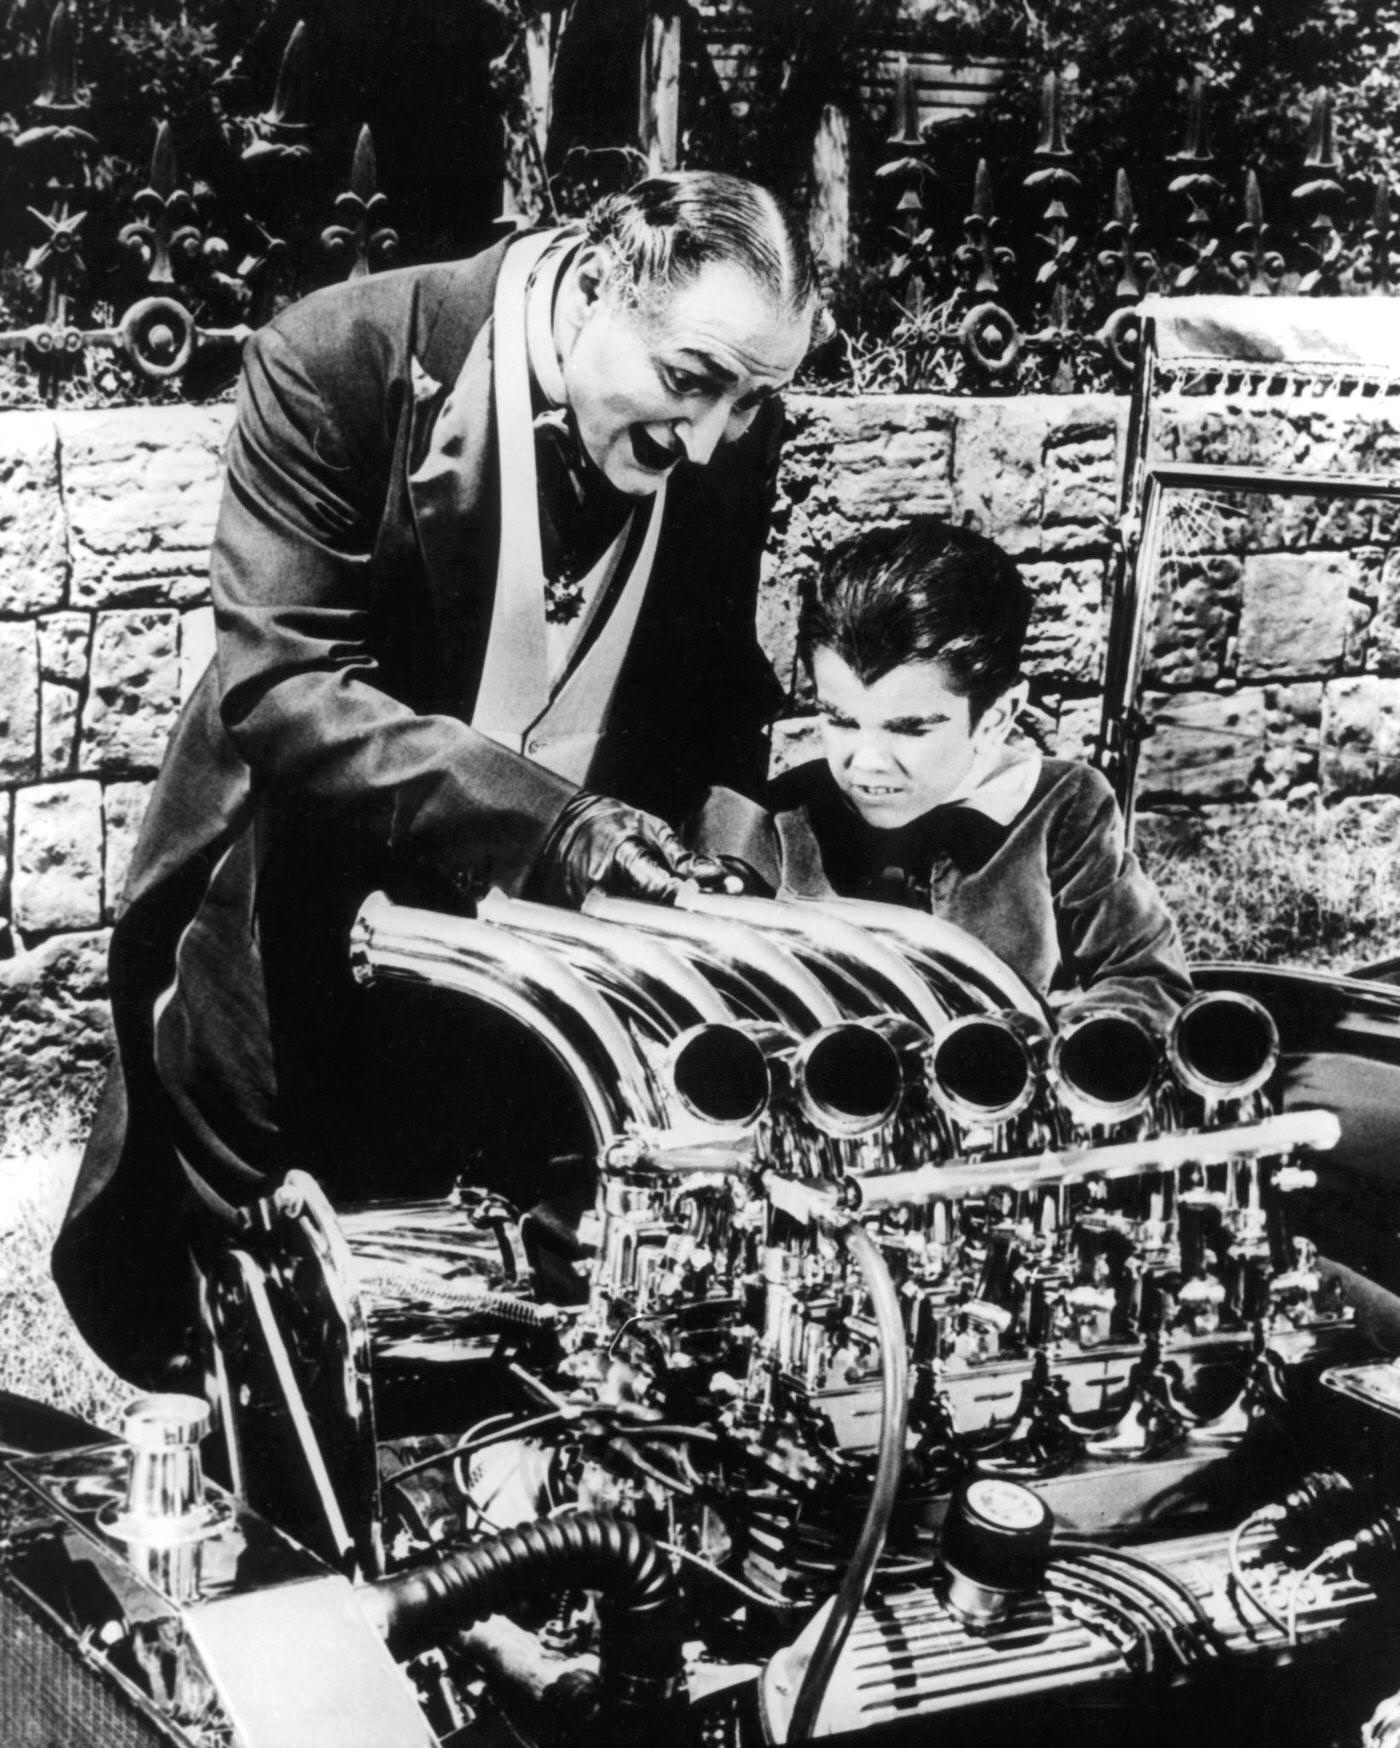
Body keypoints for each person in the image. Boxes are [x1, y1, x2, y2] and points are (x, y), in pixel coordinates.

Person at [54, 170, 821, 1385]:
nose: (712, 439)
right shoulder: (340, 355)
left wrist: (732, 875)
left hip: (535, 982)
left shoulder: (720, 421)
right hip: (294, 933)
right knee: (277, 1327)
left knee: (511, 1335)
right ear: (586, 286)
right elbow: (284, 685)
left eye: (749, 400)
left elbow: (713, 680)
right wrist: (555, 827)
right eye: (689, 382)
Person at [696, 517, 1193, 1028]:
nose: (866, 762)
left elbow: (1149, 984)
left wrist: (1023, 1056)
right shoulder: (775, 819)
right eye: (840, 720)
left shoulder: (1063, 806)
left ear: (998, 717)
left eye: (910, 730)